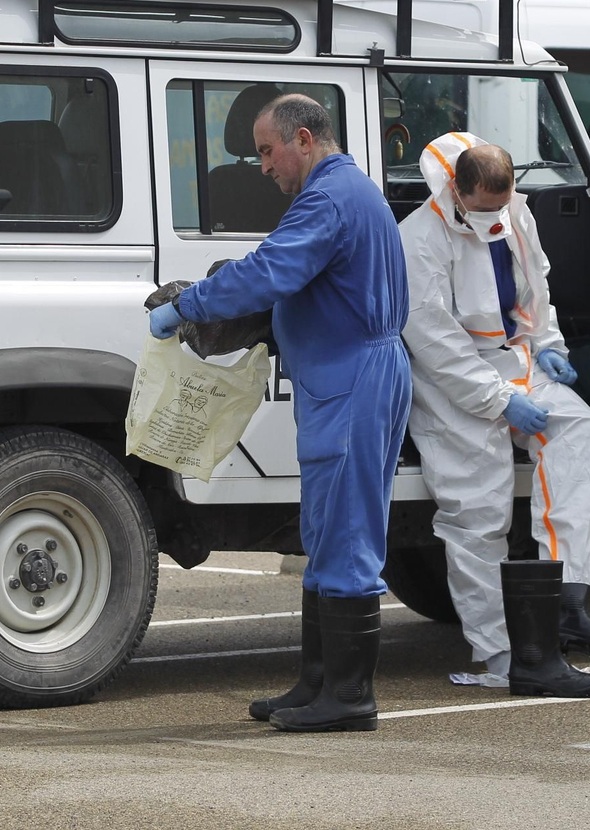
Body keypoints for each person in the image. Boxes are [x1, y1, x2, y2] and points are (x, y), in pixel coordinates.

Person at [148, 93, 411, 733]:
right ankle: (317, 684)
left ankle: (348, 697)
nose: (262, 165)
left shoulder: (328, 199)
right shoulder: (340, 192)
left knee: (345, 536)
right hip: (342, 379)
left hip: (353, 381)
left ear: (302, 139)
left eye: (267, 151)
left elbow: (270, 270)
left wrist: (192, 306)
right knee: (324, 532)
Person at [397, 132, 590, 699]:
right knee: (478, 512)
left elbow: (535, 290)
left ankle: (570, 600)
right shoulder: (418, 239)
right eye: (481, 209)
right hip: (450, 386)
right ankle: (504, 654)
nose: (491, 219)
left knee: (578, 429)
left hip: (517, 361)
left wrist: (547, 342)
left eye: (499, 207)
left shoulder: (516, 214)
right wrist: (500, 401)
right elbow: (434, 341)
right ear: (455, 190)